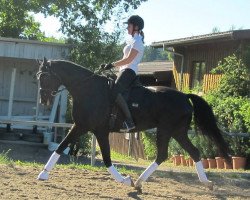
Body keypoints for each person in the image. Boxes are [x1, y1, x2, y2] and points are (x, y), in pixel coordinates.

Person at [103, 15, 145, 132]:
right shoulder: (132, 41)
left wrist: (111, 64)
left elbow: (128, 60)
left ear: (136, 27)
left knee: (114, 91)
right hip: (123, 70)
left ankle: (129, 121)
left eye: (129, 25)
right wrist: (109, 66)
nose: (127, 28)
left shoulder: (137, 42)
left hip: (129, 71)